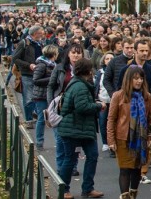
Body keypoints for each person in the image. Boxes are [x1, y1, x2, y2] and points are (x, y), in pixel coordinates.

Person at [57, 58, 106, 199]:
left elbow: (81, 103)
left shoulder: (79, 83)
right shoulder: (80, 86)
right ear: (88, 71)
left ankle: (88, 188)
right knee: (70, 159)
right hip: (74, 129)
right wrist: (99, 106)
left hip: (82, 128)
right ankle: (64, 189)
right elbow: (82, 107)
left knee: (92, 156)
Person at [107, 66, 151, 199]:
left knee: (137, 169)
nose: (139, 81)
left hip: (141, 138)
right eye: (135, 78)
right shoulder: (118, 95)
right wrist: (110, 141)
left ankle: (133, 195)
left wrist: (150, 136)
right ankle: (125, 196)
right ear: (128, 79)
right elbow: (111, 119)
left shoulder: (147, 96)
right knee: (124, 169)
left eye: (141, 78)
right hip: (123, 138)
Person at [47, 43, 85, 173]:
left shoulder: (86, 70)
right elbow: (51, 86)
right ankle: (60, 168)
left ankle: (72, 167)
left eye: (78, 53)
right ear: (68, 54)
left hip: (77, 110)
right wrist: (50, 104)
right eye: (73, 52)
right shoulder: (59, 68)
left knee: (75, 141)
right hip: (60, 108)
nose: (75, 55)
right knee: (61, 140)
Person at [13, 25, 45, 128]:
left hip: (39, 74)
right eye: (40, 33)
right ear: (35, 33)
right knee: (28, 98)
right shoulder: (24, 43)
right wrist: (29, 65)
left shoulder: (39, 43)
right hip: (27, 74)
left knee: (38, 97)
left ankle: (35, 113)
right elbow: (15, 59)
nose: (42, 35)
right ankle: (29, 120)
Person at [32, 44, 59, 149]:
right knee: (42, 118)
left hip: (51, 94)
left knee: (54, 117)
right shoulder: (42, 64)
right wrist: (52, 79)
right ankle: (39, 141)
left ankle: (58, 141)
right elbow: (36, 80)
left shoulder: (54, 64)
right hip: (41, 95)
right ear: (53, 54)